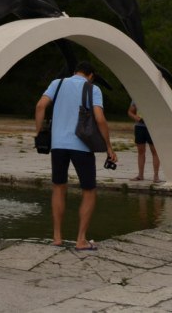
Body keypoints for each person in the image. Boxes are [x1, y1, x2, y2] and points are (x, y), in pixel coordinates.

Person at [34, 61, 117, 250]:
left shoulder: (58, 83)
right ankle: (81, 240)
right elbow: (100, 118)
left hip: (58, 145)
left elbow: (40, 106)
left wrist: (39, 133)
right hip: (82, 145)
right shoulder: (92, 88)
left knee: (58, 187)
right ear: (91, 75)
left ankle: (57, 237)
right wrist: (109, 147)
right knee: (88, 191)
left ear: (74, 72)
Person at [128, 101, 161, 182]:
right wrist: (136, 117)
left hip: (153, 127)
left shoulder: (156, 96)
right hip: (140, 127)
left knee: (155, 152)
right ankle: (140, 175)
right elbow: (130, 112)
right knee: (141, 152)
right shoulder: (136, 97)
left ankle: (156, 176)